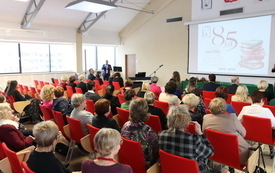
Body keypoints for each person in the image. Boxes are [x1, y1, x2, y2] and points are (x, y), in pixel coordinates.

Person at [158, 105, 213, 173]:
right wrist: (200, 134)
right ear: (187, 121)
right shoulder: (193, 139)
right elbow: (210, 153)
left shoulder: (160, 135)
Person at [203, 98, 250, 165]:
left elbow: (205, 135)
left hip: (215, 153)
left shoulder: (206, 118)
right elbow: (244, 133)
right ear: (224, 107)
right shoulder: (232, 117)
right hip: (236, 157)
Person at [121, 99, 158, 169]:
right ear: (145, 112)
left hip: (127, 161)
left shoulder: (125, 126)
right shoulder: (148, 131)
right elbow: (155, 153)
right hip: (146, 166)